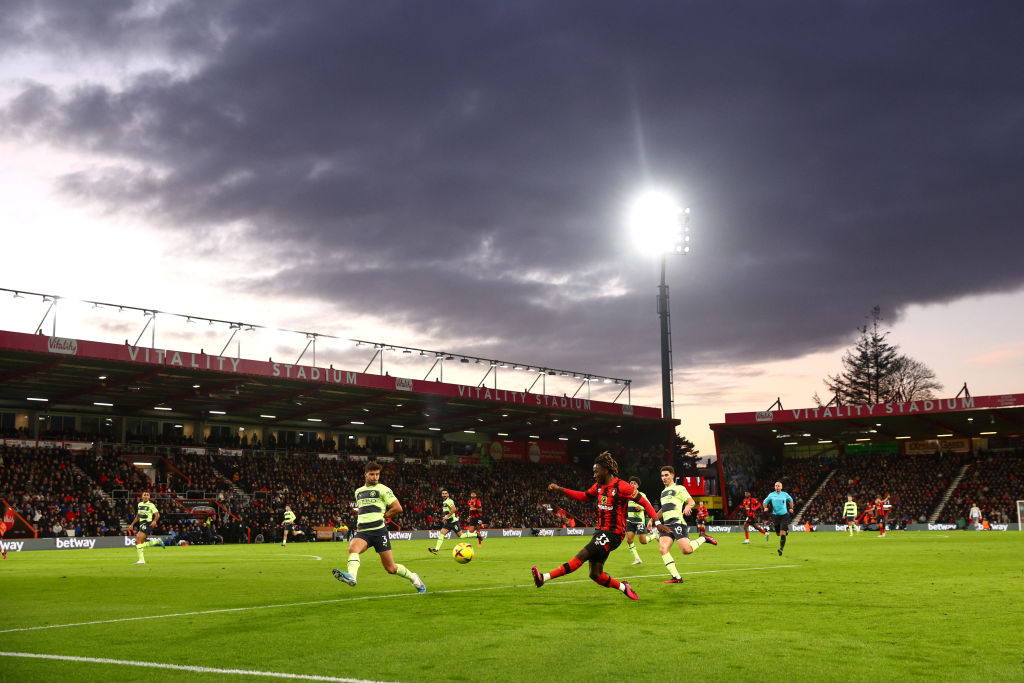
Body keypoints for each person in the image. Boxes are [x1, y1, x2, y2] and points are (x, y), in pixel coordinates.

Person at [531, 451, 658, 600]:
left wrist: (657, 521)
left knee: (581, 555)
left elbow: (644, 502)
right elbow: (583, 496)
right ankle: (624, 587)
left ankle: (543, 578)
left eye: (596, 471)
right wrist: (561, 489)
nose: (594, 475)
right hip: (600, 532)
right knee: (595, 574)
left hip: (614, 534)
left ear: (606, 470)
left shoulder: (621, 486)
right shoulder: (598, 486)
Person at [332, 461, 425, 593]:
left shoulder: (383, 489)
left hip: (379, 532)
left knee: (391, 568)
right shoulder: (358, 492)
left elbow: (398, 508)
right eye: (372, 474)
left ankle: (414, 578)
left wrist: (385, 515)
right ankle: (352, 577)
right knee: (353, 548)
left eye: (377, 474)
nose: (375, 477)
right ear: (366, 475)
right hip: (363, 532)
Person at [652, 465, 717, 584]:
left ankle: (703, 538)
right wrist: (653, 519)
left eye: (666, 475)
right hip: (666, 525)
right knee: (663, 549)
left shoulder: (680, 488)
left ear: (672, 475)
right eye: (662, 476)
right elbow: (663, 509)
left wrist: (687, 507)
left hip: (678, 523)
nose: (664, 478)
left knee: (686, 550)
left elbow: (691, 501)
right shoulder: (663, 492)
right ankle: (676, 577)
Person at [428, 489, 475, 554]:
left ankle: (476, 534)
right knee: (441, 534)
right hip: (448, 522)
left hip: (453, 522)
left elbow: (454, 509)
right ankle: (436, 549)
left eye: (445, 493)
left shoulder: (449, 501)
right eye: (443, 493)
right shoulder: (444, 502)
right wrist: (445, 518)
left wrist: (447, 517)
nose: (444, 495)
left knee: (461, 536)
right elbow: (447, 512)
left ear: (448, 494)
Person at [128, 491, 165, 565]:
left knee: (138, 542)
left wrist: (154, 521)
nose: (146, 496)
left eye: (147, 495)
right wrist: (132, 524)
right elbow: (138, 516)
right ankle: (156, 541)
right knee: (138, 543)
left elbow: (157, 515)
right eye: (144, 495)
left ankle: (141, 560)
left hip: (148, 524)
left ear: (149, 497)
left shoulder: (151, 505)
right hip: (141, 525)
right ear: (142, 497)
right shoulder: (139, 504)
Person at [624, 476, 654, 565]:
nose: (632, 484)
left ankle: (654, 535)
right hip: (629, 521)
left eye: (634, 483)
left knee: (643, 541)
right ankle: (637, 559)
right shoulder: (626, 495)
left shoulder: (642, 495)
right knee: (629, 540)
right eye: (631, 483)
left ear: (638, 486)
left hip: (639, 521)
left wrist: (641, 507)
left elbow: (648, 506)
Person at [763, 481, 794, 556]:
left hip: (784, 515)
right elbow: (765, 502)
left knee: (782, 532)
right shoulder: (771, 495)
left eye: (778, 486)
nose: (777, 487)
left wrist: (791, 508)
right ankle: (784, 532)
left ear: (781, 487)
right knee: (778, 533)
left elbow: (791, 500)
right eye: (776, 486)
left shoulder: (785, 494)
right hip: (775, 516)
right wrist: (765, 508)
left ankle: (781, 549)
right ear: (774, 487)